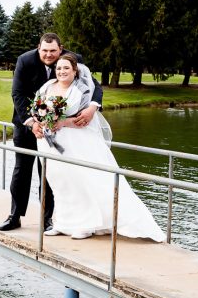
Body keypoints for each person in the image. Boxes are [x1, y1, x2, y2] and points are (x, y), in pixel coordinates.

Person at [34, 54, 165, 242]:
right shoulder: (47, 87)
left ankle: (85, 225)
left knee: (81, 181)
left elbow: (84, 120)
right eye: (59, 68)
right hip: (49, 144)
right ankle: (63, 223)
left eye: (66, 68)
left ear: (75, 70)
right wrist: (41, 121)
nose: (61, 71)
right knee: (60, 183)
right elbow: (37, 109)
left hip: (75, 142)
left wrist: (62, 122)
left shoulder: (81, 90)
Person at [0, 33, 102, 232]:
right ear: (38, 48)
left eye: (53, 51)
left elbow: (94, 86)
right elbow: (17, 94)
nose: (48, 55)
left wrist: (92, 107)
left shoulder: (73, 60)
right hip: (26, 125)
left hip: (57, 131)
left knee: (49, 172)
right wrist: (31, 122)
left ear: (60, 49)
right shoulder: (24, 61)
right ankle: (15, 216)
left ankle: (48, 219)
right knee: (22, 170)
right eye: (44, 51)